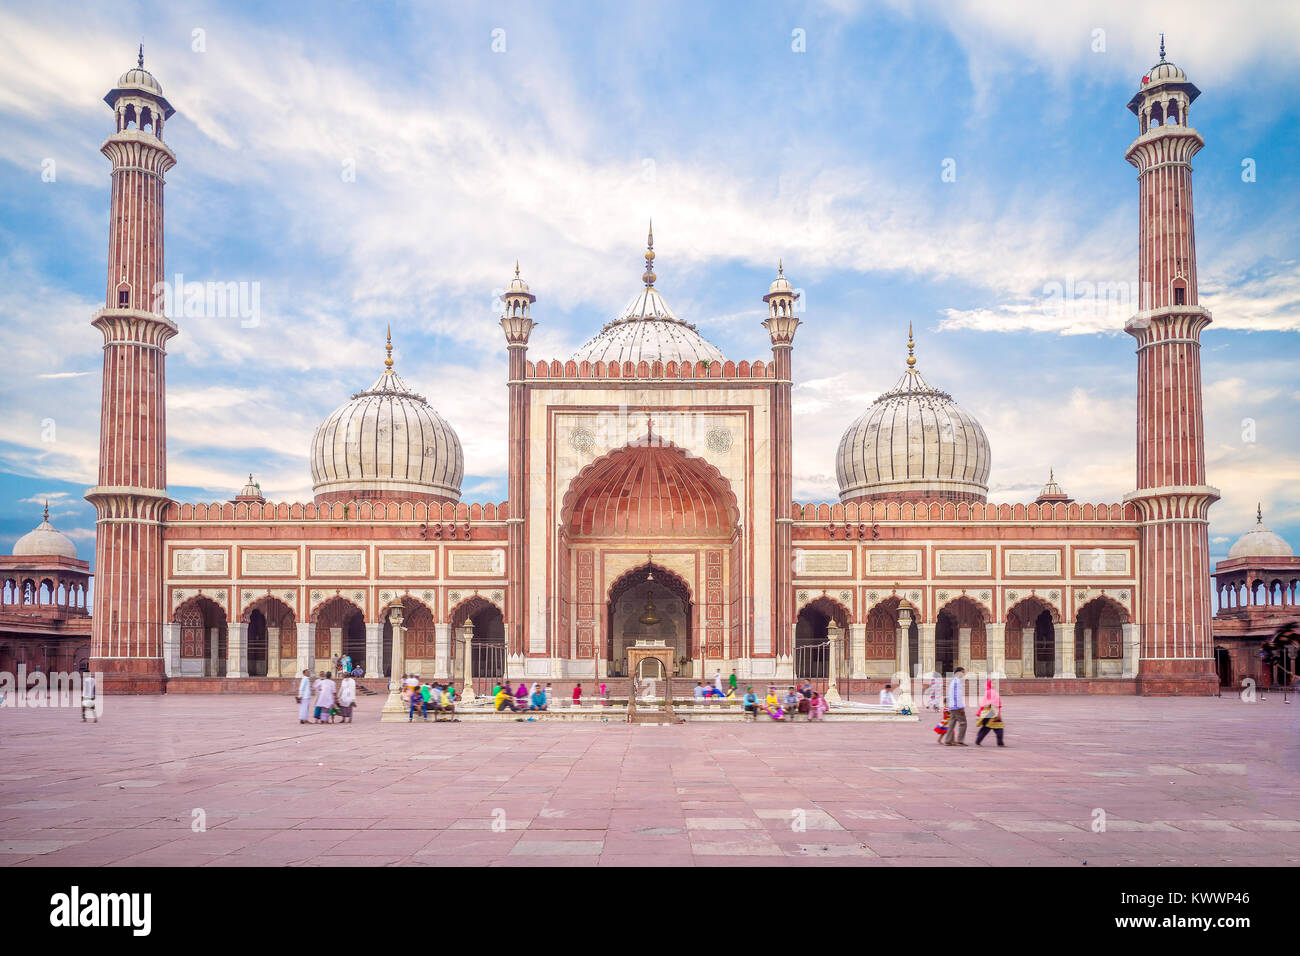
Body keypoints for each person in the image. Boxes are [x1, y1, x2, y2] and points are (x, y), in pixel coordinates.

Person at [975, 678, 1005, 747]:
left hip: (991, 712)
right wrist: (997, 714)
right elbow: (991, 703)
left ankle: (978, 741)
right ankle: (1000, 743)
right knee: (989, 728)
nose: (994, 684)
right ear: (989, 684)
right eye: (992, 683)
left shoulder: (992, 691)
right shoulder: (990, 692)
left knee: (991, 728)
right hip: (991, 712)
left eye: (995, 683)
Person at [942, 668, 968, 746]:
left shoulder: (953, 681)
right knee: (963, 723)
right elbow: (957, 695)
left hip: (952, 706)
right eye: (963, 672)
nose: (964, 674)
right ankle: (960, 740)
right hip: (956, 706)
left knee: (952, 724)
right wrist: (960, 707)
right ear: (959, 672)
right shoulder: (957, 682)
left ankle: (948, 740)